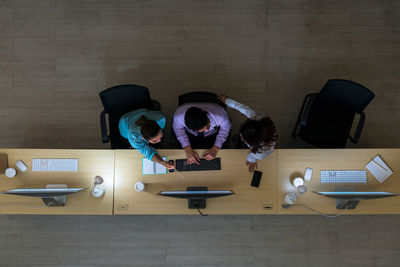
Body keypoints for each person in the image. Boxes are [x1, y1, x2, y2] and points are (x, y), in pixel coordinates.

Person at [217, 94, 277, 173]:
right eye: (241, 134)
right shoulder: (257, 118)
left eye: (243, 138)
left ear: (253, 143)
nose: (240, 136)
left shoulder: (263, 152)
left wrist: (251, 160)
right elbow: (244, 108)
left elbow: (252, 155)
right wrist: (228, 101)